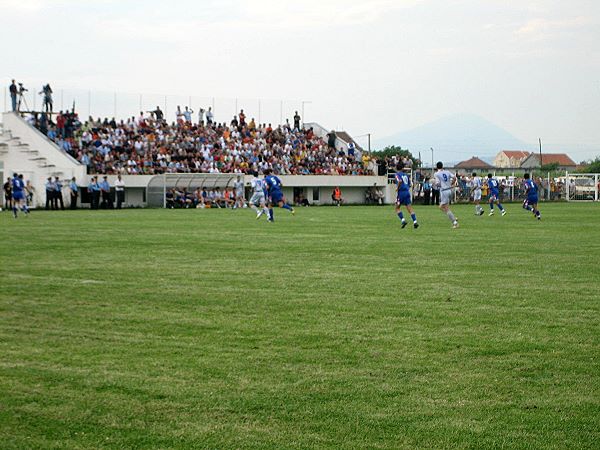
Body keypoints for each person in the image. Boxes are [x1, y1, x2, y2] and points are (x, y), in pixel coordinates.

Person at [434, 162, 459, 229]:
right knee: (443, 207)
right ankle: (453, 217)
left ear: (437, 167)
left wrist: (438, 185)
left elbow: (437, 183)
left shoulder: (436, 174)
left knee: (444, 207)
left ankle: (455, 222)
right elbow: (454, 177)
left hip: (444, 191)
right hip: (449, 190)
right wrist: (451, 183)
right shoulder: (447, 172)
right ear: (442, 166)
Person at [394, 164, 419, 229]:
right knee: (409, 208)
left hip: (401, 193)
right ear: (402, 168)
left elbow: (399, 181)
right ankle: (415, 222)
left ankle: (403, 220)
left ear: (397, 168)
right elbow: (410, 184)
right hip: (407, 192)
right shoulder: (406, 175)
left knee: (397, 207)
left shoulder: (397, 174)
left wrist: (397, 188)